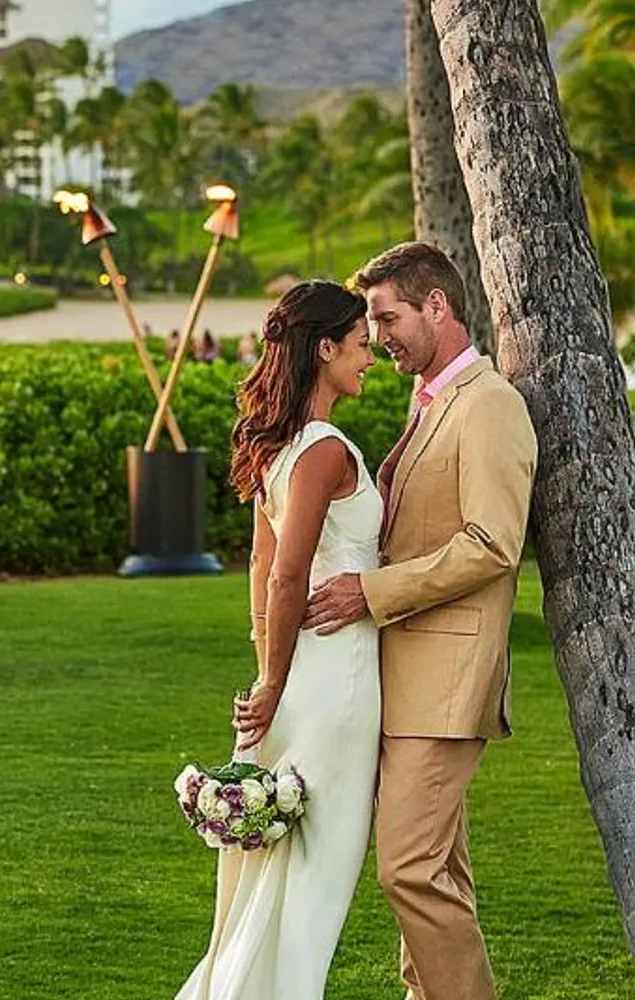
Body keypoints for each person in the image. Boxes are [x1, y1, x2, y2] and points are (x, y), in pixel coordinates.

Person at [304, 242, 536, 1000]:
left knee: (407, 869)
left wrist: (370, 592)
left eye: (388, 318)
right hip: (404, 679)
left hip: (447, 680)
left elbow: (492, 543)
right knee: (438, 873)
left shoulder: (490, 404)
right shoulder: (432, 399)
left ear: (437, 305)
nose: (379, 339)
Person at [174, 279, 381, 1000]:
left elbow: (261, 572)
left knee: (285, 871)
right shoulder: (322, 451)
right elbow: (285, 574)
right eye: (361, 346)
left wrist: (270, 673)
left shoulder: (278, 448)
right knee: (318, 880)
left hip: (301, 680)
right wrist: (270, 682)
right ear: (324, 349)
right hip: (337, 679)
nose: (370, 360)